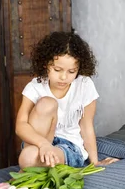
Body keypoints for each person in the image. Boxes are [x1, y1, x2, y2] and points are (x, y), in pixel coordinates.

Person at [15, 31, 116, 169]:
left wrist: (95, 162)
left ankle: (35, 167)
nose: (64, 77)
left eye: (71, 71)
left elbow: (86, 126)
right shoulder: (35, 87)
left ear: (79, 68)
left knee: (29, 159)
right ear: (46, 64)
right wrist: (43, 144)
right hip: (38, 143)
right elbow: (20, 125)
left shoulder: (84, 85)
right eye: (57, 70)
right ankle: (36, 165)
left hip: (69, 147)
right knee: (47, 103)